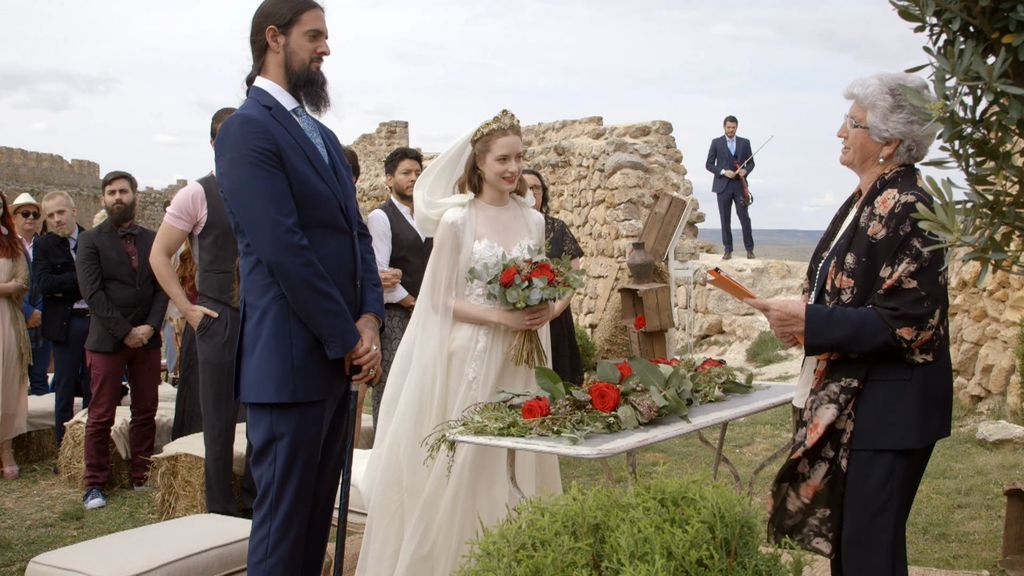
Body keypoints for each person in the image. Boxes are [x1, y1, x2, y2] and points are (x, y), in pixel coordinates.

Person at [748, 73, 951, 576]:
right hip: (861, 400)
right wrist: (799, 321)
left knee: (869, 553)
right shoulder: (867, 197)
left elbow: (905, 323)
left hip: (889, 408)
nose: (840, 132)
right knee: (856, 548)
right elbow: (841, 290)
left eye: (852, 123)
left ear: (890, 143)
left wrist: (813, 321)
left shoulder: (911, 208)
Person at [214, 1, 384, 573]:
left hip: (338, 358)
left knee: (314, 526)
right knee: (282, 535)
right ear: (274, 38)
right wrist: (348, 337)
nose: (326, 49)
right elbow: (283, 250)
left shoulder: (322, 135)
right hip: (289, 366)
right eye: (314, 36)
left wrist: (368, 319)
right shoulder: (246, 131)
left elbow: (356, 235)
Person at [357, 110, 563, 576]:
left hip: (520, 358)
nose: (512, 169)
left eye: (519, 158)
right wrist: (501, 317)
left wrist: (544, 310)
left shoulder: (533, 221)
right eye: (503, 160)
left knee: (519, 452)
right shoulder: (457, 221)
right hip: (472, 354)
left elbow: (545, 282)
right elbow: (440, 298)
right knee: (471, 457)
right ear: (479, 164)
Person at [150, 107, 255, 517]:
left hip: (261, 317)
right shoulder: (196, 193)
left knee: (263, 413)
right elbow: (160, 255)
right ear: (214, 143)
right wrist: (187, 308)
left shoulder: (266, 191)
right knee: (218, 419)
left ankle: (254, 498)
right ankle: (220, 508)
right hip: (216, 315)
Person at [76, 171, 169, 510]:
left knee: (146, 409)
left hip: (146, 339)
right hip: (107, 340)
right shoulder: (90, 241)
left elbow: (162, 286)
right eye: (111, 192)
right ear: (104, 198)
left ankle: (141, 473)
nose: (117, 197)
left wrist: (149, 327)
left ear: (135, 196)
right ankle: (94, 484)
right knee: (101, 414)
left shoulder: (152, 239)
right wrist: (125, 331)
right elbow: (93, 293)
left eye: (123, 191)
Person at [366, 146, 432, 426]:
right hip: (395, 318)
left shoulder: (430, 218)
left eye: (418, 172)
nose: (414, 178)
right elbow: (381, 274)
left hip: (429, 316)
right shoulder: (381, 217)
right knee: (394, 387)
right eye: (406, 173)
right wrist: (411, 301)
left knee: (425, 389)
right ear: (389, 179)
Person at [34, 191, 91, 449]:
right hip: (65, 326)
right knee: (64, 389)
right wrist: (82, 282)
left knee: (95, 389)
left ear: (73, 211)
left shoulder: (91, 240)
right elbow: (43, 284)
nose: (57, 219)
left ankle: (94, 448)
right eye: (51, 215)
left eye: (61, 212)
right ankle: (64, 450)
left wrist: (64, 286)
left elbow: (103, 282)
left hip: (94, 323)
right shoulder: (44, 245)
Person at [523, 168, 585, 385]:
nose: (532, 192)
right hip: (522, 319)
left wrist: (555, 310)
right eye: (526, 187)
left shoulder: (557, 228)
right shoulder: (510, 228)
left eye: (536, 188)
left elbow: (573, 274)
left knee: (561, 381)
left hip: (556, 316)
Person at [0, 191, 30, 480]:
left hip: (7, 321)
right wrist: (4, 288)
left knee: (8, 382)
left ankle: (6, 450)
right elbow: (11, 286)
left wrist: (10, 288)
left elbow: (23, 281)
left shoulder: (11, 242)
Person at [10, 193, 50, 395]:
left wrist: (40, 313)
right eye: (25, 213)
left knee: (40, 379)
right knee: (13, 379)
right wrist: (27, 312)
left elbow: (51, 282)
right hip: (14, 318)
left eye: (35, 214)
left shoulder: (46, 246)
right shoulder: (5, 246)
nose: (31, 218)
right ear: (13, 217)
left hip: (42, 321)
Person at [706, 115, 755, 259]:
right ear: (724, 127)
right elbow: (708, 164)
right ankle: (728, 250)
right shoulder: (716, 143)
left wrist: (745, 170)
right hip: (722, 186)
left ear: (736, 127)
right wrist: (723, 172)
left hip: (740, 186)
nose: (731, 130)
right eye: (728, 127)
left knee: (744, 218)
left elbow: (751, 163)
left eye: (733, 128)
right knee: (725, 218)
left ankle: (750, 249)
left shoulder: (745, 143)